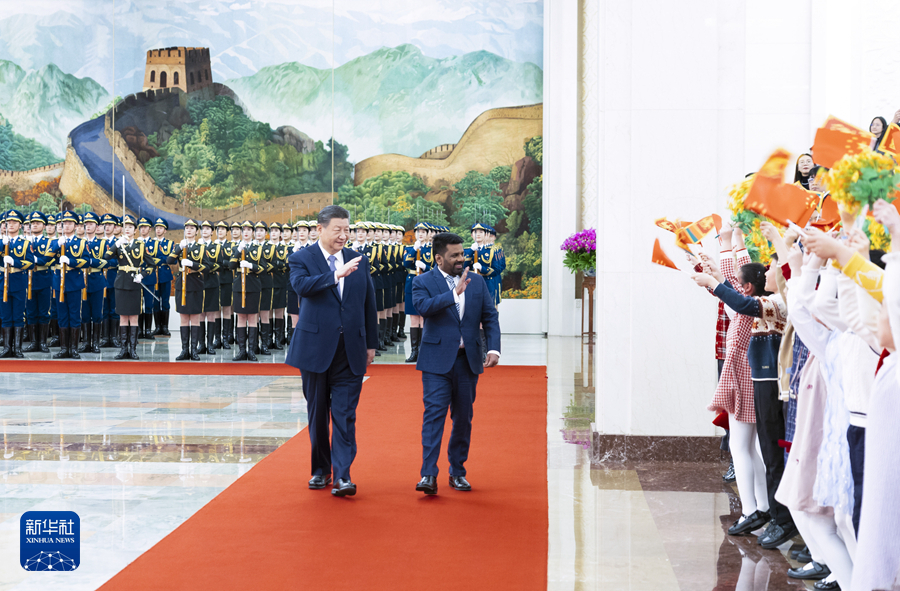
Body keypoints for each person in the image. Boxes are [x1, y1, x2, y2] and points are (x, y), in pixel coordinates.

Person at [285, 205, 378, 497]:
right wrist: (335, 275)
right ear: (320, 229)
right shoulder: (301, 258)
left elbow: (369, 303)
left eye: (346, 230)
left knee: (345, 414)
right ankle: (321, 470)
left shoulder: (358, 260)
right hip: (314, 350)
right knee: (317, 414)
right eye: (337, 229)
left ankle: (343, 476)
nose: (343, 235)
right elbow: (302, 287)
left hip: (350, 349)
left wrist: (371, 343)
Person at [412, 232, 501, 495]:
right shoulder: (422, 281)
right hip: (436, 363)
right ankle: (428, 474)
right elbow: (423, 307)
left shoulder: (477, 281)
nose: (461, 259)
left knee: (463, 419)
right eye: (454, 256)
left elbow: (490, 317)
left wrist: (493, 347)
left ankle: (458, 472)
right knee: (433, 417)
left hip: (467, 362)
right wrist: (453, 294)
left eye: (462, 254)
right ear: (439, 258)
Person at [106, 215, 159, 360]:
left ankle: (133, 350)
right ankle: (123, 349)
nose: (127, 229)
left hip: (135, 284)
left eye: (130, 227)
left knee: (134, 317)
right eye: (125, 227)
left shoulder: (140, 245)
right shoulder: (119, 244)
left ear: (135, 230)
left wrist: (142, 274)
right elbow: (106, 257)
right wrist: (116, 244)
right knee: (123, 317)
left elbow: (152, 264)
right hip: (121, 283)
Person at [47, 210, 96, 358]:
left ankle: (73, 349)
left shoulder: (81, 243)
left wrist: (71, 261)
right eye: (64, 223)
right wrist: (57, 245)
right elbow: (46, 258)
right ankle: (64, 349)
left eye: (70, 223)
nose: (67, 226)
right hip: (59, 283)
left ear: (75, 226)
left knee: (74, 315)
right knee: (62, 315)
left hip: (74, 282)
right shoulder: (55, 242)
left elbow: (86, 261)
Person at [167, 219, 210, 361]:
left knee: (195, 318)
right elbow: (169, 261)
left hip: (195, 283)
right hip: (182, 285)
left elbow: (207, 268)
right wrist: (179, 248)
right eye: (187, 228)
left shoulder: (201, 248)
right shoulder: (180, 246)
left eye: (192, 228)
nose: (189, 230)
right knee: (184, 318)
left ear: (196, 231)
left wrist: (193, 264)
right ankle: (184, 350)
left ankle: (194, 350)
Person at [0, 210, 38, 358]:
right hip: (3, 281)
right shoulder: (2, 242)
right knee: (5, 315)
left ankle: (17, 348)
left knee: (18, 315)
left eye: (14, 222)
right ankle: (6, 348)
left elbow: (30, 263)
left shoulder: (25, 243)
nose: (11, 225)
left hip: (18, 281)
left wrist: (14, 262)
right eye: (8, 222)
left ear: (20, 225)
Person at [230, 220, 264, 362]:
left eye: (249, 230)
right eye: (244, 230)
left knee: (252, 318)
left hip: (253, 286)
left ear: (253, 232)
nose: (246, 232)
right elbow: (231, 265)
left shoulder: (258, 248)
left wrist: (251, 265)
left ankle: (251, 350)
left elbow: (262, 268)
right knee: (241, 318)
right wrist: (238, 251)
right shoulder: (236, 247)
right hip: (239, 286)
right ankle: (241, 350)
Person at [23, 211, 53, 353]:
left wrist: (35, 260)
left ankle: (42, 342)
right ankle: (33, 342)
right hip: (28, 279)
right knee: (30, 312)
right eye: (33, 223)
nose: (35, 225)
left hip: (43, 279)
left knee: (44, 312)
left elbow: (49, 259)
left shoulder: (49, 242)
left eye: (38, 223)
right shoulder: (24, 242)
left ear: (44, 226)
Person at [403, 222, 432, 362]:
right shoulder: (410, 249)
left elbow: (436, 267)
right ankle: (414, 351)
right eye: (418, 232)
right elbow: (406, 264)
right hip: (412, 284)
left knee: (423, 318)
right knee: (414, 319)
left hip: (426, 284)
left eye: (423, 232)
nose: (420, 234)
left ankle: (424, 351)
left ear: (428, 234)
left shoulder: (433, 249)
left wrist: (425, 267)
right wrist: (414, 250)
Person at [151, 218, 174, 337]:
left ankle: (165, 327)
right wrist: (162, 259)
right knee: (155, 301)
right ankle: (157, 327)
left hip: (165, 275)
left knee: (165, 301)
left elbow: (171, 259)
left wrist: (158, 260)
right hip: (153, 275)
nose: (158, 230)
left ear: (165, 230)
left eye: (161, 228)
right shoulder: (151, 243)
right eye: (157, 228)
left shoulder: (169, 244)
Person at [213, 220, 234, 350]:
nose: (220, 231)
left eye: (222, 229)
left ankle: (225, 338)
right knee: (216, 310)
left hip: (227, 280)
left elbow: (232, 262)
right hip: (214, 281)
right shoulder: (212, 246)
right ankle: (217, 339)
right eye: (218, 229)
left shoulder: (232, 246)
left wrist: (221, 264)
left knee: (226, 309)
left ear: (227, 232)